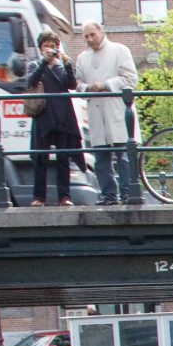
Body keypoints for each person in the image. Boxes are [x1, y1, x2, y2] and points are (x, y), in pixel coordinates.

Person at [74, 19, 140, 206]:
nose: (90, 39)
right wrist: (88, 88)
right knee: (101, 156)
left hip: (116, 108)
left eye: (92, 35)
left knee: (123, 153)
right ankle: (108, 195)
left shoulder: (120, 50)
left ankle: (128, 193)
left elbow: (130, 78)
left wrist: (106, 85)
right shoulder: (82, 58)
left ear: (101, 31)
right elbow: (77, 83)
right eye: (86, 36)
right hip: (96, 110)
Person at [21, 31, 85, 206]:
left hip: (63, 116)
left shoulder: (61, 66)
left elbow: (71, 85)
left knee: (63, 158)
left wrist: (68, 65)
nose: (49, 49)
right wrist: (44, 62)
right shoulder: (34, 65)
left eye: (52, 46)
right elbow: (31, 82)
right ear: (40, 49)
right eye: (46, 46)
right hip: (43, 116)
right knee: (41, 158)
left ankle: (64, 196)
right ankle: (38, 197)